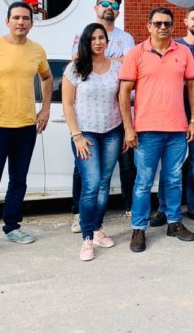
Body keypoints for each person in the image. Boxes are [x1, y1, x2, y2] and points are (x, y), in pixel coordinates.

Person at [0, 2, 53, 258]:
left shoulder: (36, 50)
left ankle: (12, 227)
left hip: (26, 127)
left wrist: (46, 109)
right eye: (16, 17)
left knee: (18, 181)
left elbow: (47, 78)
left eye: (25, 18)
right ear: (7, 21)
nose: (21, 22)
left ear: (31, 22)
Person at [119, 6, 194, 252]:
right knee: (143, 182)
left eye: (167, 23)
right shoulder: (136, 53)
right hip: (146, 129)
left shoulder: (183, 52)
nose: (162, 27)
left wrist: (193, 120)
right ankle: (138, 228)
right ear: (148, 26)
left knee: (174, 178)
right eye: (157, 23)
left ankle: (174, 223)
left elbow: (193, 87)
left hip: (177, 128)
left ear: (173, 26)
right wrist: (128, 128)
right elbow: (124, 93)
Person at [68, 0, 136, 232]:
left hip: (115, 123)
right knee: (87, 178)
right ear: (95, 7)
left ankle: (115, 215)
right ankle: (80, 217)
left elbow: (129, 69)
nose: (109, 7)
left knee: (119, 170)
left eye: (114, 4)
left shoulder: (125, 37)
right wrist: (76, 134)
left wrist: (109, 62)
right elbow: (78, 62)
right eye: (104, 4)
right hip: (87, 128)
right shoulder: (82, 40)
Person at [150, 6, 194, 227]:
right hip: (174, 113)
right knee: (171, 165)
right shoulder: (176, 46)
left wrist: (188, 68)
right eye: (193, 18)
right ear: (185, 21)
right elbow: (186, 70)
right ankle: (163, 209)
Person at [62, 23, 123, 261]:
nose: (98, 42)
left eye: (102, 38)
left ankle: (97, 229)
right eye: (93, 38)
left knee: (105, 182)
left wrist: (127, 130)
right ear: (85, 42)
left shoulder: (117, 68)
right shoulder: (75, 69)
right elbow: (67, 104)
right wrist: (76, 135)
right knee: (91, 185)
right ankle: (86, 238)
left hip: (112, 132)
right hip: (85, 135)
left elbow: (123, 99)